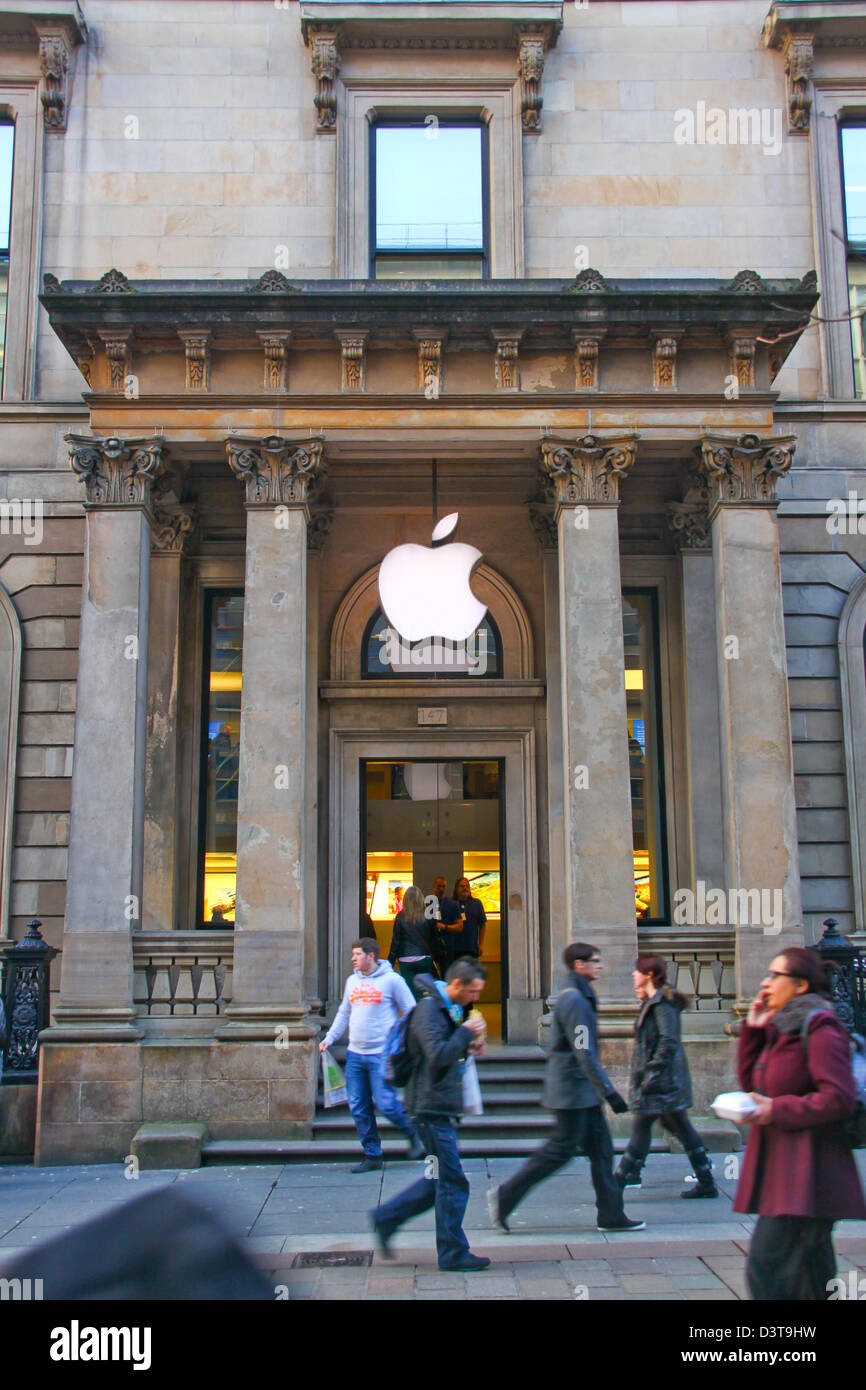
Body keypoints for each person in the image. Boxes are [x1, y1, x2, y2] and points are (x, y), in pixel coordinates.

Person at [734, 946, 866, 1300]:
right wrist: (753, 1031)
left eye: (776, 976)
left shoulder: (820, 1026)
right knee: (810, 1278)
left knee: (767, 1270)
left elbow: (839, 1098)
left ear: (800, 985)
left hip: (810, 1173)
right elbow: (752, 1086)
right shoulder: (782, 1027)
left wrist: (776, 1110)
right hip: (785, 1171)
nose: (766, 983)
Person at [488, 942, 645, 1234]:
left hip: (580, 1092)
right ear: (579, 965)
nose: (600, 965)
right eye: (595, 961)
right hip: (572, 1093)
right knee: (558, 1152)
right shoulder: (575, 1001)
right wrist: (609, 1091)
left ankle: (611, 1214)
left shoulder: (578, 996)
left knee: (601, 1152)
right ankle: (505, 1197)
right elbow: (583, 1051)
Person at [370, 960, 490, 1272]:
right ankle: (452, 1253)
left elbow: (442, 1053)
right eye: (473, 992)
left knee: (438, 1179)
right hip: (428, 1111)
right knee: (453, 1181)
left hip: (436, 1108)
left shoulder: (442, 1009)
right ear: (457, 985)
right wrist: (464, 1033)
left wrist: (468, 1047)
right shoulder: (429, 1010)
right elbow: (437, 1055)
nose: (475, 998)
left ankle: (387, 1218)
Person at [615, 954, 718, 1199]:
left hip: (661, 1082)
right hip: (661, 1082)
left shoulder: (662, 1004)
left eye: (638, 970)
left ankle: (617, 1181)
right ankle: (706, 1181)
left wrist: (652, 1071)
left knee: (642, 1129)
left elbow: (668, 1041)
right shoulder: (653, 1001)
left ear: (649, 975)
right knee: (680, 1128)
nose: (633, 974)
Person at [319, 938, 424, 1173]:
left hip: (381, 1054)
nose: (353, 958)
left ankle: (412, 1133)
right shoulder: (352, 981)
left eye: (358, 954)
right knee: (358, 1106)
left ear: (371, 956)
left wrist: (401, 1039)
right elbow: (344, 1013)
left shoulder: (392, 980)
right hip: (355, 1053)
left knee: (386, 1104)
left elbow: (411, 1010)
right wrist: (330, 1038)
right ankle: (372, 1154)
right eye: (353, 954)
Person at [388, 885, 439, 999]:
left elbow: (396, 941)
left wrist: (390, 962)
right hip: (424, 958)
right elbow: (434, 938)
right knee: (426, 993)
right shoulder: (428, 915)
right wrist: (437, 956)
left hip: (405, 959)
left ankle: (415, 1008)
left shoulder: (400, 917)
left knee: (411, 994)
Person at [431, 876, 463, 976]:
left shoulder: (452, 904)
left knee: (447, 976)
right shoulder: (427, 904)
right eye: (439, 886)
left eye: (443, 886)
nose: (441, 889)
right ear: (434, 886)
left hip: (447, 946)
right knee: (432, 977)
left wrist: (445, 927)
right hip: (431, 947)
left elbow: (459, 926)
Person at [451, 875, 487, 962]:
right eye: (462, 886)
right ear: (456, 889)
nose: (465, 888)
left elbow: (482, 925)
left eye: (467, 886)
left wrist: (481, 945)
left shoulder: (476, 903)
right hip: (454, 949)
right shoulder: (451, 904)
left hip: (471, 948)